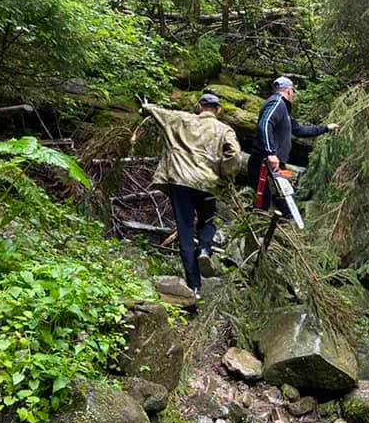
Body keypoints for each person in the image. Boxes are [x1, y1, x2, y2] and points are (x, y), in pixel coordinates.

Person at [142, 93, 241, 299]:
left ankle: (194, 287)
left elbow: (160, 113)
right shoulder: (224, 129)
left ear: (200, 107)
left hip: (180, 182)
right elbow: (235, 154)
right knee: (208, 222)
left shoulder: (181, 119)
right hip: (207, 183)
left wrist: (146, 106)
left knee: (185, 232)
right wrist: (224, 174)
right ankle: (204, 249)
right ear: (218, 110)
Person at [248, 76, 339, 211]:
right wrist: (270, 153)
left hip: (276, 163)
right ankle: (258, 226)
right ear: (289, 91)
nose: (293, 96)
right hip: (265, 162)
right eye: (293, 92)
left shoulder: (284, 110)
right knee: (263, 203)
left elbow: (300, 130)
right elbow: (265, 124)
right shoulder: (276, 103)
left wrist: (326, 128)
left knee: (284, 198)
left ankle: (283, 225)